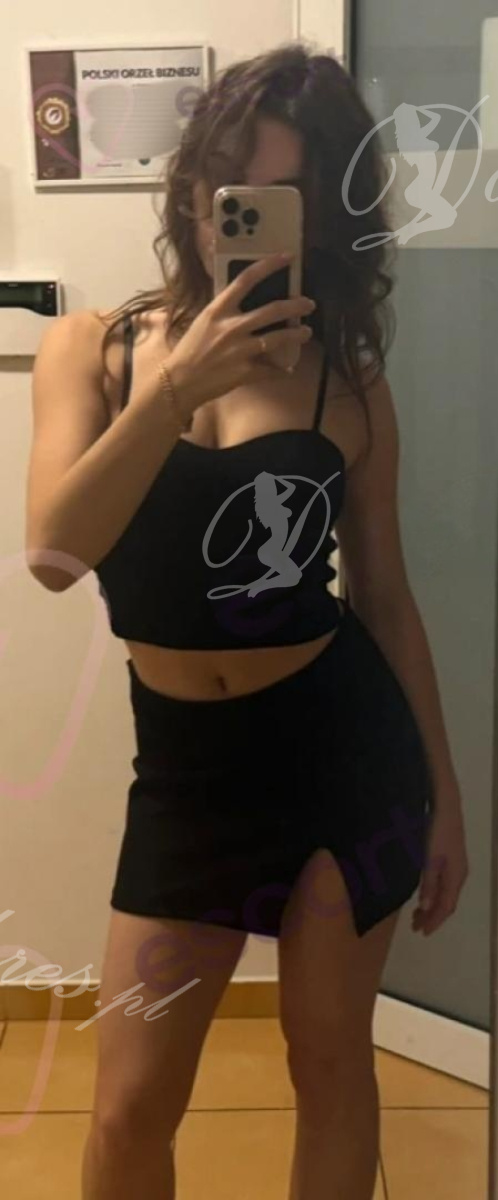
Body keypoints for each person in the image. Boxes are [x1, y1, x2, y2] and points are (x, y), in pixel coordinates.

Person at [26, 42, 469, 1200]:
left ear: (323, 220)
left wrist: (447, 797)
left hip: (340, 758)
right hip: (186, 776)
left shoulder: (346, 379)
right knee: (128, 1106)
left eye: (286, 197)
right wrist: (176, 389)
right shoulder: (96, 350)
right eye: (231, 187)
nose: (247, 221)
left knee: (328, 1066)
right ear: (192, 189)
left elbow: (385, 597)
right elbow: (56, 553)